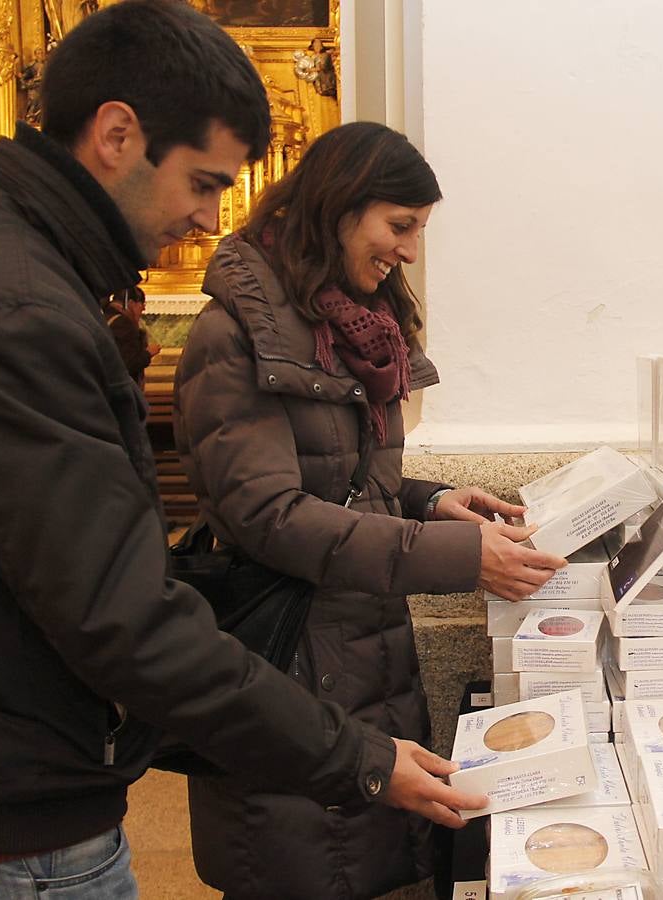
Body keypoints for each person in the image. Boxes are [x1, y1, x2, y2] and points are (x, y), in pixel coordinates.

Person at [0, 3, 497, 896]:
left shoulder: (29, 278)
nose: (212, 218)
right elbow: (143, 598)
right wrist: (358, 758)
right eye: (204, 182)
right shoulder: (28, 313)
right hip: (28, 792)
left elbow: (349, 478)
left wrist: (428, 501)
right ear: (117, 133)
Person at [173, 119, 567, 899]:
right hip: (290, 662)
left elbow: (343, 478)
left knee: (359, 862)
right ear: (339, 206)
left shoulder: (355, 329)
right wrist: (458, 557)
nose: (411, 252)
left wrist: (433, 500)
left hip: (358, 648)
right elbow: (269, 514)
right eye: (400, 226)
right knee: (298, 862)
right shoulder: (235, 336)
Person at [105, 285, 161, 384]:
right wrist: (148, 353)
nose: (144, 308)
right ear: (130, 303)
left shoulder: (106, 315)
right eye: (141, 303)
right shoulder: (123, 323)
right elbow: (129, 364)